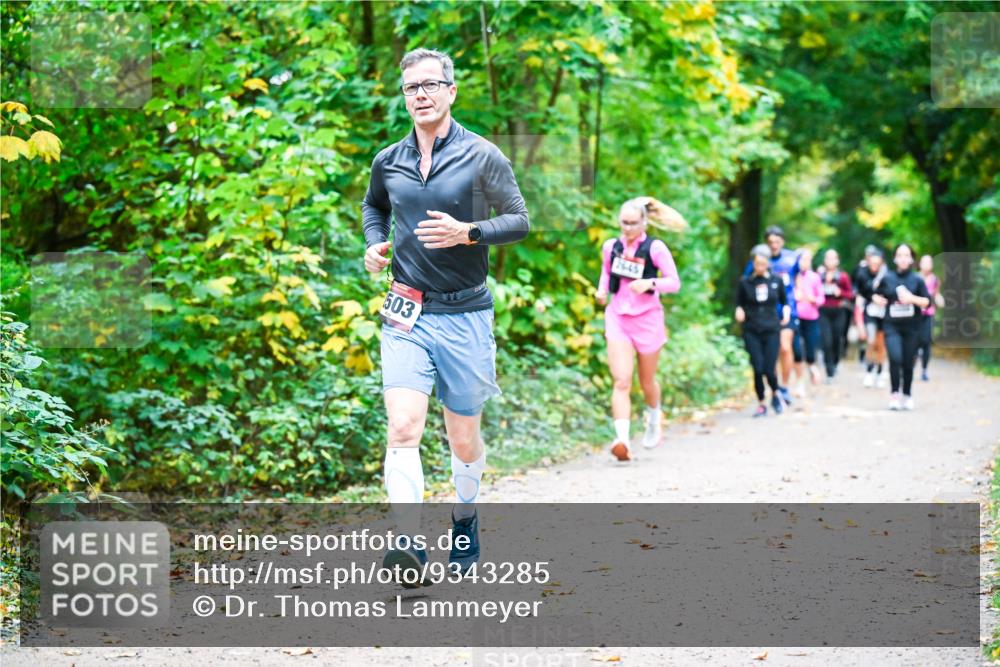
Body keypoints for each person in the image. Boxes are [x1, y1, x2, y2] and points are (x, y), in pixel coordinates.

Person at [361, 48, 529, 583]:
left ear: (451, 91)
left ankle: (465, 516)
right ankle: (409, 547)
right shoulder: (389, 160)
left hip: (466, 314)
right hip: (407, 312)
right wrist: (374, 243)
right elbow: (374, 206)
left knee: (462, 439)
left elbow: (519, 220)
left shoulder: (482, 156)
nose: (421, 95)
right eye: (412, 87)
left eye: (431, 84)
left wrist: (469, 232)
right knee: (402, 426)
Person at [595, 197, 683, 461]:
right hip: (618, 317)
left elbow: (674, 282)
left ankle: (654, 417)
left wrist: (650, 283)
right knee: (621, 380)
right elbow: (606, 273)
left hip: (648, 319)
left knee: (646, 381)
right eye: (624, 222)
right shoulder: (611, 246)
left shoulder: (655, 248)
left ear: (644, 222)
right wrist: (601, 291)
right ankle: (622, 440)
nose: (628, 228)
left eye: (634, 223)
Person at [743, 226, 799, 408]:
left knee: (785, 347)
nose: (774, 245)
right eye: (770, 242)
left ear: (782, 241)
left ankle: (785, 386)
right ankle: (774, 386)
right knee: (770, 356)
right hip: (763, 315)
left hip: (786, 310)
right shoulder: (757, 260)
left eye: (777, 241)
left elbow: (800, 278)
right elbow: (746, 285)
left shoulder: (791, 259)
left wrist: (796, 300)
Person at [871, 243, 930, 410]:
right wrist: (877, 299)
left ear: (911, 259)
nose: (903, 259)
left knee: (908, 362)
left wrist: (912, 299)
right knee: (895, 358)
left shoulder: (917, 280)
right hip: (892, 326)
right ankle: (895, 394)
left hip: (912, 327)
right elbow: (875, 294)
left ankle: (907, 394)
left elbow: (927, 302)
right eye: (900, 255)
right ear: (895, 259)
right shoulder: (887, 278)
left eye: (906, 255)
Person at [736, 245, 790, 417]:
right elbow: (739, 303)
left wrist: (786, 313)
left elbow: (785, 301)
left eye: (763, 264)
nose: (760, 267)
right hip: (752, 329)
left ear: (768, 263)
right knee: (758, 368)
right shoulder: (745, 282)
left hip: (771, 329)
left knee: (769, 368)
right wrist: (739, 310)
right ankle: (761, 403)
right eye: (757, 263)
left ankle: (775, 393)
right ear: (753, 263)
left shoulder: (776, 280)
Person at [817, 249, 854, 381]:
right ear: (824, 260)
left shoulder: (843, 276)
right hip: (823, 312)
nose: (830, 261)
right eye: (828, 258)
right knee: (826, 341)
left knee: (837, 340)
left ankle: (836, 362)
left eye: (833, 258)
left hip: (839, 312)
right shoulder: (819, 276)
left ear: (837, 261)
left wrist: (840, 293)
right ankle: (829, 371)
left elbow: (851, 294)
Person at [791, 248, 825, 395]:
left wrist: (814, 300)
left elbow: (821, 298)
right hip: (794, 318)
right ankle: (799, 382)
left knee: (811, 351)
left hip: (811, 318)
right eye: (803, 259)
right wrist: (793, 297)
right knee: (797, 351)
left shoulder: (814, 277)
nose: (806, 262)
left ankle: (811, 367)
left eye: (808, 260)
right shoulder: (790, 276)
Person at [854, 247, 888, 388]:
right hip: (870, 312)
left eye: (877, 264)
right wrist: (872, 297)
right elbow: (861, 291)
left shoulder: (887, 275)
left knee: (881, 344)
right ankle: (869, 371)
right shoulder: (862, 273)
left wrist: (883, 299)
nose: (874, 267)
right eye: (872, 264)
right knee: (871, 340)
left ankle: (880, 372)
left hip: (883, 313)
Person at [917, 254, 944, 381]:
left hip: (928, 313)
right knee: (913, 341)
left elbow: (937, 294)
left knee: (926, 341)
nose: (926, 265)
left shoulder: (935, 279)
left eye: (929, 262)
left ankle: (924, 370)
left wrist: (940, 299)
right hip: (915, 314)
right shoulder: (915, 278)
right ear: (920, 264)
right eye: (924, 262)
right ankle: (909, 366)